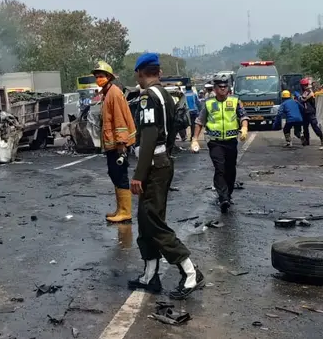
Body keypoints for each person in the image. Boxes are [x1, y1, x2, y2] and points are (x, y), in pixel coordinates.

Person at [128, 53, 204, 299]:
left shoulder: (148, 98)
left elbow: (149, 135)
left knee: (152, 222)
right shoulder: (167, 96)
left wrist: (139, 174)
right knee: (146, 220)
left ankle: (190, 272)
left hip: (152, 165)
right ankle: (150, 275)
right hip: (162, 161)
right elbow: (172, 131)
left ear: (141, 73)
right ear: (158, 72)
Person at [191, 75, 250, 213]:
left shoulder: (235, 101)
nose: (223, 89)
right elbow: (200, 121)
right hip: (215, 142)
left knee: (230, 169)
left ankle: (228, 194)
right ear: (215, 89)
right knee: (220, 168)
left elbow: (243, 116)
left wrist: (245, 128)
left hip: (231, 141)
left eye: (225, 87)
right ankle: (222, 197)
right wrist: (194, 139)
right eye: (220, 87)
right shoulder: (209, 103)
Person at [92, 61, 137, 223]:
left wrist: (121, 144)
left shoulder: (114, 94)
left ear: (109, 77)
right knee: (114, 173)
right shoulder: (107, 93)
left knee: (120, 175)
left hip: (118, 145)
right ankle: (120, 208)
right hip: (112, 144)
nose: (99, 79)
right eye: (97, 76)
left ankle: (125, 211)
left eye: (101, 76)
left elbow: (119, 121)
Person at [298, 78, 323, 146]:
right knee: (305, 127)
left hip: (310, 112)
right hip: (305, 112)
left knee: (314, 126)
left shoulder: (309, 91)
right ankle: (307, 141)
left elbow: (303, 99)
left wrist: (303, 98)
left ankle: (322, 138)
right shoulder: (305, 92)